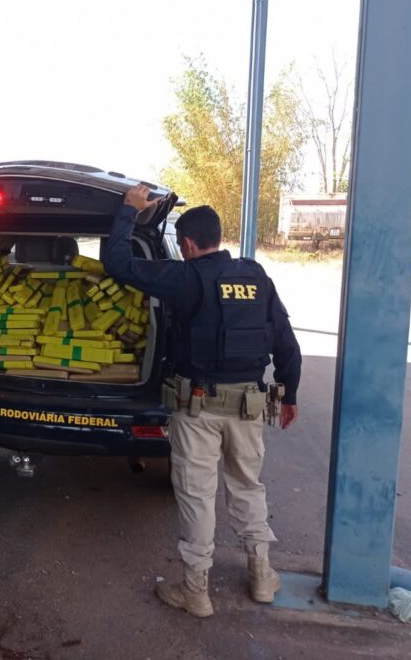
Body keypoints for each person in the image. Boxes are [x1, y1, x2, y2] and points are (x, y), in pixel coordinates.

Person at [103, 185, 301, 618]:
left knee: (197, 495)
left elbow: (117, 263)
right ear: (218, 237)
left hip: (198, 408)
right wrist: (289, 392)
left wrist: (127, 212)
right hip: (249, 406)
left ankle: (196, 591)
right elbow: (286, 340)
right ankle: (262, 577)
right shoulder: (256, 276)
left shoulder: (185, 277)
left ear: (188, 245)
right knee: (248, 487)